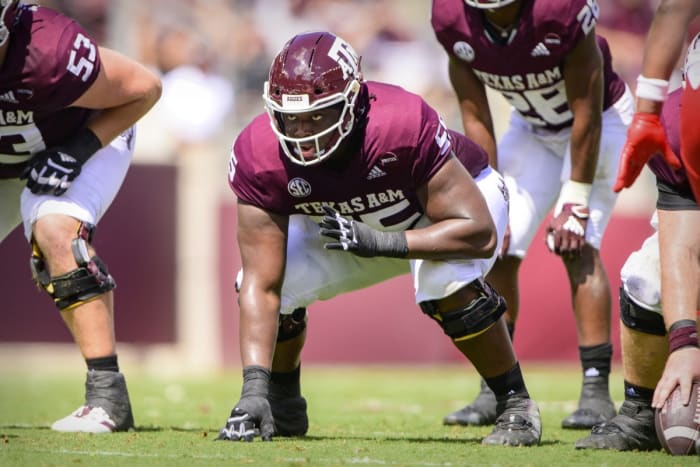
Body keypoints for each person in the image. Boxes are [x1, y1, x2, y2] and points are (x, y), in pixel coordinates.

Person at [217, 30, 542, 446]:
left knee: (445, 284)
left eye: (319, 114)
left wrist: (382, 243)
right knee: (257, 283)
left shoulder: (399, 123)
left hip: (441, 217)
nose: (302, 132)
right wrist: (251, 391)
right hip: (349, 230)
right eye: (290, 117)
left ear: (353, 101)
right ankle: (278, 403)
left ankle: (515, 402)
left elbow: (478, 231)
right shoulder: (258, 153)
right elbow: (262, 284)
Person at [430, 0, 633, 430]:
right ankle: (496, 388)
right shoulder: (452, 18)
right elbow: (475, 113)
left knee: (577, 242)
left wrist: (575, 197)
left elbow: (586, 110)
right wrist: (489, 195)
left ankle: (595, 390)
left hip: (601, 120)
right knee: (498, 246)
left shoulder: (558, 10)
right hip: (531, 127)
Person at [0, 1, 161, 432]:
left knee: (56, 232)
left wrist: (78, 150)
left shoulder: (48, 50)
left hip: (80, 138)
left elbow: (143, 87)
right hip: (9, 158)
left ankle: (107, 396)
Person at [576, 1, 700, 451]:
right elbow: (682, 245)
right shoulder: (676, 125)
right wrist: (685, 343)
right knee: (646, 279)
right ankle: (640, 412)